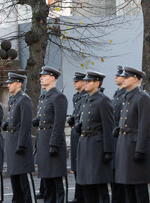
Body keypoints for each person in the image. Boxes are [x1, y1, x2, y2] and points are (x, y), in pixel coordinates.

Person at [114, 66, 150, 203]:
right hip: (125, 145)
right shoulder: (127, 96)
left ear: (135, 79)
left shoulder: (142, 97)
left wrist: (141, 150)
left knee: (139, 189)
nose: (123, 80)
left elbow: (145, 125)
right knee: (127, 188)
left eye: (126, 77)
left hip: (135, 146)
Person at [75, 71, 114, 203]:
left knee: (99, 184)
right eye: (85, 81)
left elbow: (108, 126)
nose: (85, 83)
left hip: (97, 146)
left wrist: (108, 150)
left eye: (88, 81)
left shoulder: (103, 100)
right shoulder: (86, 99)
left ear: (97, 83)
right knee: (86, 184)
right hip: (85, 144)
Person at [33, 66, 68, 203]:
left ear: (53, 78)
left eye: (44, 76)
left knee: (57, 178)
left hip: (53, 142)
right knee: (46, 178)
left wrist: (53, 144)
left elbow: (59, 123)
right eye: (41, 76)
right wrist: (37, 120)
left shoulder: (58, 97)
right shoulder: (43, 97)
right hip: (43, 140)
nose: (41, 78)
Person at [2, 72, 36, 203]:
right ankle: (18, 199)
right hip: (11, 139)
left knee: (23, 175)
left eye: (11, 83)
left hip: (19, 141)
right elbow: (13, 117)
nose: (8, 85)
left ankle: (29, 200)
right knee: (14, 174)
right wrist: (6, 124)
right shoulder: (13, 99)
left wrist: (21, 144)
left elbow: (25, 123)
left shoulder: (24, 99)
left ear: (19, 84)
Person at [67, 72, 86, 203]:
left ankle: (81, 196)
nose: (74, 83)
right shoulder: (76, 97)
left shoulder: (85, 96)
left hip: (82, 134)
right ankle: (78, 196)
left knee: (82, 166)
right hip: (75, 133)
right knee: (75, 166)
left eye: (77, 81)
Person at [111, 66, 126, 203]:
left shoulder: (124, 95)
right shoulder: (117, 94)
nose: (115, 78)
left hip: (122, 135)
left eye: (119, 76)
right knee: (115, 172)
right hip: (115, 136)